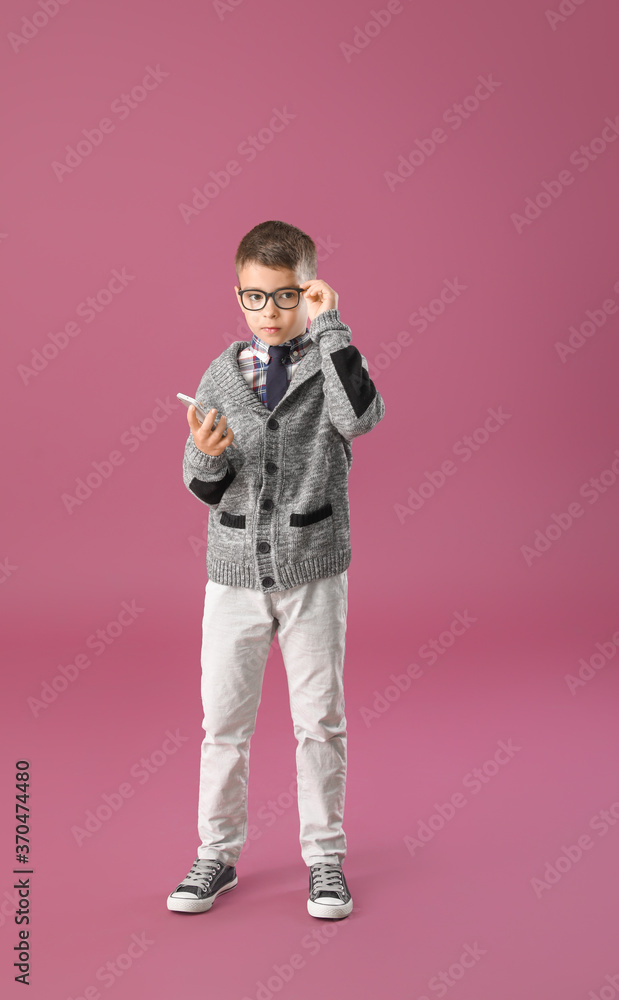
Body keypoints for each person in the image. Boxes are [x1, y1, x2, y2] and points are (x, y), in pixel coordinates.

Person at [167, 220, 385, 919]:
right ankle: (215, 856)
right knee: (222, 724)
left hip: (313, 568)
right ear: (238, 297)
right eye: (254, 298)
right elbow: (203, 483)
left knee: (319, 722)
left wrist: (334, 329)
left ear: (311, 290)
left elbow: (363, 418)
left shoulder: (329, 363)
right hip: (232, 575)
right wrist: (203, 452)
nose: (269, 312)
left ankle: (324, 860)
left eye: (286, 296)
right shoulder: (221, 373)